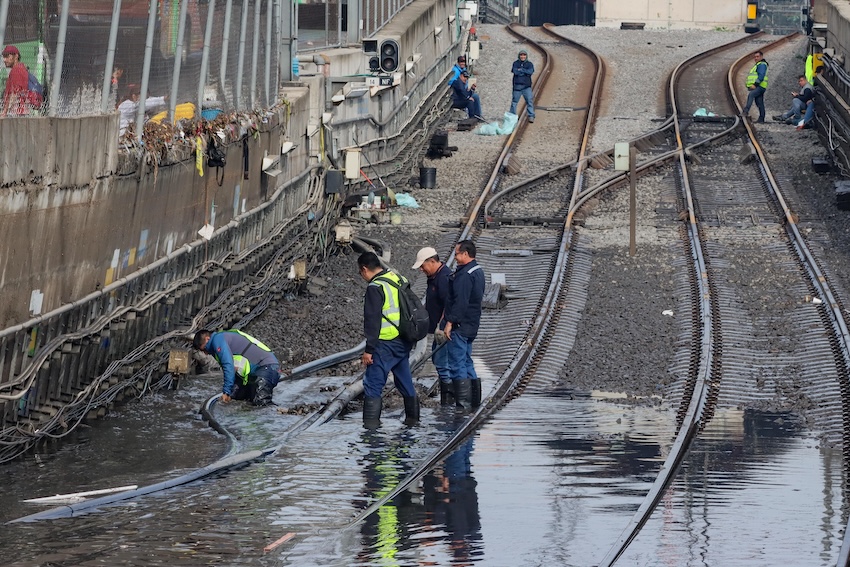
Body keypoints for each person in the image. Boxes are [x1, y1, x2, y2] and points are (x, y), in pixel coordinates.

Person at [358, 251, 418, 427]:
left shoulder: (375, 287)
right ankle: (413, 423)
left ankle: (371, 434)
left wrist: (369, 350)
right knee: (405, 381)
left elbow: (372, 320)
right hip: (404, 340)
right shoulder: (396, 277)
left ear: (364, 269)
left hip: (385, 344)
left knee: (373, 385)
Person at [444, 240, 485, 410]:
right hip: (472, 324)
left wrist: (450, 322)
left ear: (466, 254)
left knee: (457, 364)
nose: (455, 257)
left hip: (460, 326)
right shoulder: (478, 271)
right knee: (467, 362)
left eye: (457, 254)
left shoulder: (464, 275)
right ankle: (474, 403)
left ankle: (462, 406)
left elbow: (461, 302)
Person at [192, 329, 281, 406]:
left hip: (267, 367)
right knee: (241, 399)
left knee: (261, 403)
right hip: (256, 372)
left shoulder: (217, 340)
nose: (206, 353)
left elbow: (228, 365)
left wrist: (226, 392)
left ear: (207, 339)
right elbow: (234, 371)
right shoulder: (220, 345)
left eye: (204, 349)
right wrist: (231, 393)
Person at [412, 246, 453, 405]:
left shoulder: (443, 278)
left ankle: (449, 402)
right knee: (439, 361)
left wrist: (442, 326)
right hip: (440, 328)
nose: (422, 269)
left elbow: (448, 304)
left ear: (432, 261)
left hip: (444, 330)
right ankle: (450, 401)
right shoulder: (435, 277)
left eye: (423, 266)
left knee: (443, 364)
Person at [2, 45, 32, 116]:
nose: (4, 60)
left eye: (7, 56)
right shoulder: (21, 68)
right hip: (21, 111)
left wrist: (5, 112)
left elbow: (14, 92)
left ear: (16, 56)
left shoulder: (16, 70)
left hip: (16, 113)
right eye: (4, 56)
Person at [741, 50, 769, 123]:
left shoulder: (762, 65)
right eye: (755, 57)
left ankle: (745, 111)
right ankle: (761, 119)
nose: (756, 58)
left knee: (751, 95)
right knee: (759, 102)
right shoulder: (759, 64)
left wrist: (755, 84)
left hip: (760, 86)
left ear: (761, 57)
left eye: (757, 56)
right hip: (760, 86)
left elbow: (761, 76)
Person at [509, 49, 535, 123]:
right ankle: (512, 117)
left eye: (524, 55)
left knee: (529, 101)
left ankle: (531, 115)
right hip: (517, 87)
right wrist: (524, 71)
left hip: (526, 87)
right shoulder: (515, 63)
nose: (522, 56)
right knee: (514, 102)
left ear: (526, 56)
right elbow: (515, 71)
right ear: (519, 56)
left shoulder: (529, 64)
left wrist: (521, 70)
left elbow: (530, 72)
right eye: (521, 55)